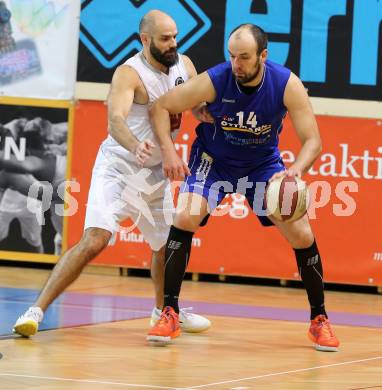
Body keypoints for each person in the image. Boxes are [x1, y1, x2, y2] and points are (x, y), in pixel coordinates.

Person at [12, 10, 210, 337]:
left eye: (175, 36)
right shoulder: (129, 73)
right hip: (119, 167)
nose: (173, 43)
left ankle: (165, 312)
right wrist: (135, 145)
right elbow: (115, 121)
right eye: (165, 38)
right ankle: (35, 310)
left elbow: (199, 104)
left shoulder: (185, 66)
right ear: (145, 40)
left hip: (156, 175)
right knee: (95, 240)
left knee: (167, 245)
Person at [147, 23, 340, 352]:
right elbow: (162, 106)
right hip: (214, 160)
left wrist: (294, 171)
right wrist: (169, 150)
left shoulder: (285, 83)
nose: (236, 64)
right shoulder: (216, 79)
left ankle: (319, 320)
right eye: (232, 56)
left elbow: (314, 141)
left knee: (302, 234)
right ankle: (168, 312)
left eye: (245, 57)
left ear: (262, 56)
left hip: (261, 165)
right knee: (185, 216)